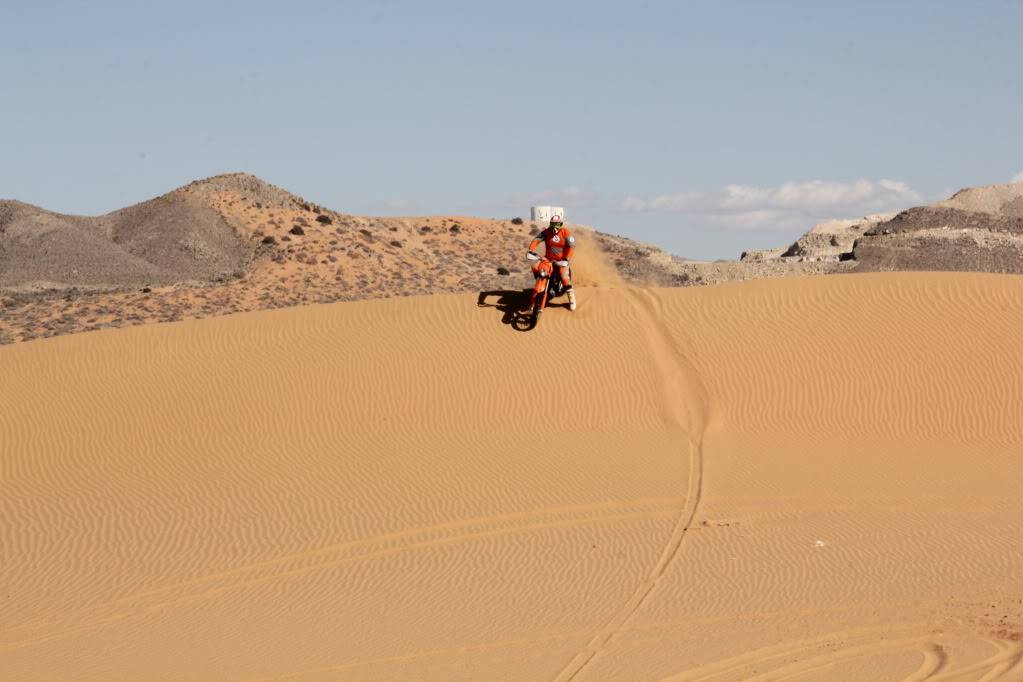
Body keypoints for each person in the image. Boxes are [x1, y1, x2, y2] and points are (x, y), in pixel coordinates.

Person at [526, 214, 576, 311]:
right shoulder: (546, 232)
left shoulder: (566, 233)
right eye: (553, 224)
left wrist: (566, 259)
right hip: (548, 259)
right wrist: (530, 250)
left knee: (564, 277)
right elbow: (536, 240)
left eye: (557, 224)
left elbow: (571, 247)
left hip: (561, 261)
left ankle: (571, 297)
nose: (554, 226)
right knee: (539, 271)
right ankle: (534, 299)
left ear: (561, 224)